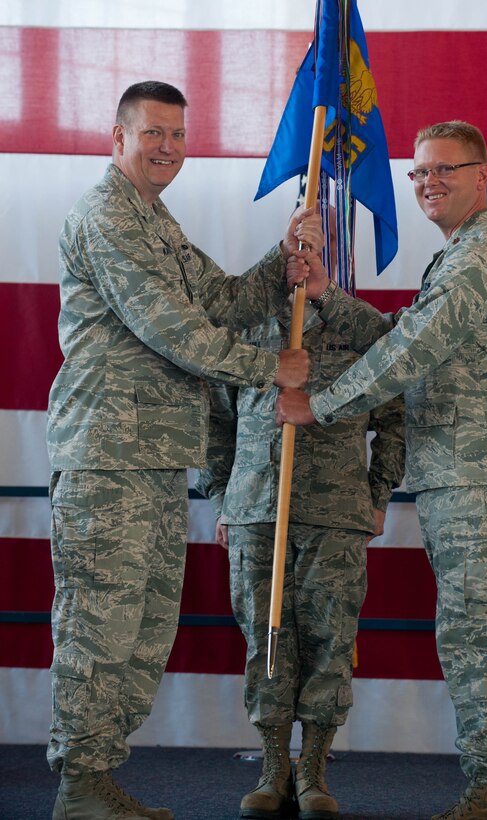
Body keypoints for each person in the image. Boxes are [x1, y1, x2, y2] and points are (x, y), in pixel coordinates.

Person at [46, 80, 323, 820]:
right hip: (107, 457)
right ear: (117, 139)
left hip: (156, 459)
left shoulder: (155, 220)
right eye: (152, 134)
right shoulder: (108, 215)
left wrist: (284, 257)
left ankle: (97, 779)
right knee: (99, 624)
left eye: (177, 134)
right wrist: (271, 368)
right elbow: (172, 327)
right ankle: (79, 781)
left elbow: (225, 300)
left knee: (140, 629)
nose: (168, 147)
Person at [277, 121, 487, 820]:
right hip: (460, 470)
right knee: (469, 627)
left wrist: (321, 405)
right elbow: (407, 333)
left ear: (484, 175)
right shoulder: (457, 258)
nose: (427, 183)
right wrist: (331, 296)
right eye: (418, 173)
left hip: (480, 474)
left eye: (443, 170)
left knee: (479, 631)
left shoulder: (479, 257)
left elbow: (412, 353)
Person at [195, 257, 405, 819]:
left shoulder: (361, 328)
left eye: (316, 242)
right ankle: (273, 767)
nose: (304, 253)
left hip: (335, 512)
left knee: (329, 641)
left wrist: (378, 495)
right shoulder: (245, 327)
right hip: (256, 509)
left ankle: (313, 771)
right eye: (297, 241)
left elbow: (395, 416)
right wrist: (222, 499)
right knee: (265, 641)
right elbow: (215, 422)